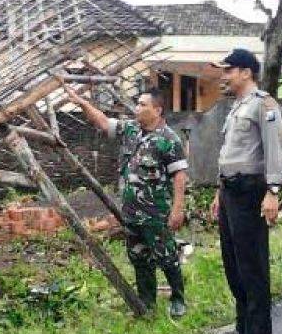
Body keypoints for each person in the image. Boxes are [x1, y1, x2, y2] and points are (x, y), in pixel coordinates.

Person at [63, 84, 189, 317]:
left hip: (156, 213)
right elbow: (102, 121)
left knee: (166, 256)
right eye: (138, 103)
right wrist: (81, 103)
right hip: (131, 213)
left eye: (142, 104)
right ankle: (146, 303)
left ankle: (178, 298)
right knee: (139, 258)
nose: (137, 108)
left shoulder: (169, 140)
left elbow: (180, 176)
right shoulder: (130, 130)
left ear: (157, 110)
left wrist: (177, 210)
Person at [209, 49, 282, 334]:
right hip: (229, 192)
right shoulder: (236, 107)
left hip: (250, 192)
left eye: (228, 70)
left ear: (246, 73)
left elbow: (276, 149)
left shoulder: (263, 104)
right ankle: (243, 329)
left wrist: (273, 191)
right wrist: (218, 192)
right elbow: (229, 153)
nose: (223, 76)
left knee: (253, 268)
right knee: (233, 264)